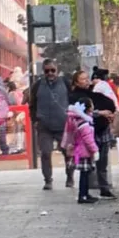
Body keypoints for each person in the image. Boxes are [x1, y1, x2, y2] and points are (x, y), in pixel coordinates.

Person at [28, 58, 72, 190]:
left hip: (63, 125)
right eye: (47, 71)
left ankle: (70, 177)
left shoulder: (65, 83)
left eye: (53, 70)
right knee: (46, 153)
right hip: (44, 126)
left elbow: (73, 99)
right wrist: (35, 120)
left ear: (57, 70)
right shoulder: (37, 86)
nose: (50, 73)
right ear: (44, 71)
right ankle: (48, 180)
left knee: (68, 153)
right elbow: (32, 105)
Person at [87, 68, 118, 198]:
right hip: (89, 134)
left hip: (102, 133)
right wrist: (100, 113)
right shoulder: (87, 98)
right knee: (90, 163)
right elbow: (83, 112)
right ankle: (87, 190)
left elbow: (114, 111)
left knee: (102, 163)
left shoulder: (108, 99)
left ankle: (104, 188)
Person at [67, 99, 99, 204]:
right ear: (89, 108)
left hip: (80, 151)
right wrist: (95, 150)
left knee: (85, 174)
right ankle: (83, 195)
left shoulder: (79, 120)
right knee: (84, 175)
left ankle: (85, 193)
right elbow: (88, 139)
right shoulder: (85, 123)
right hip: (84, 152)